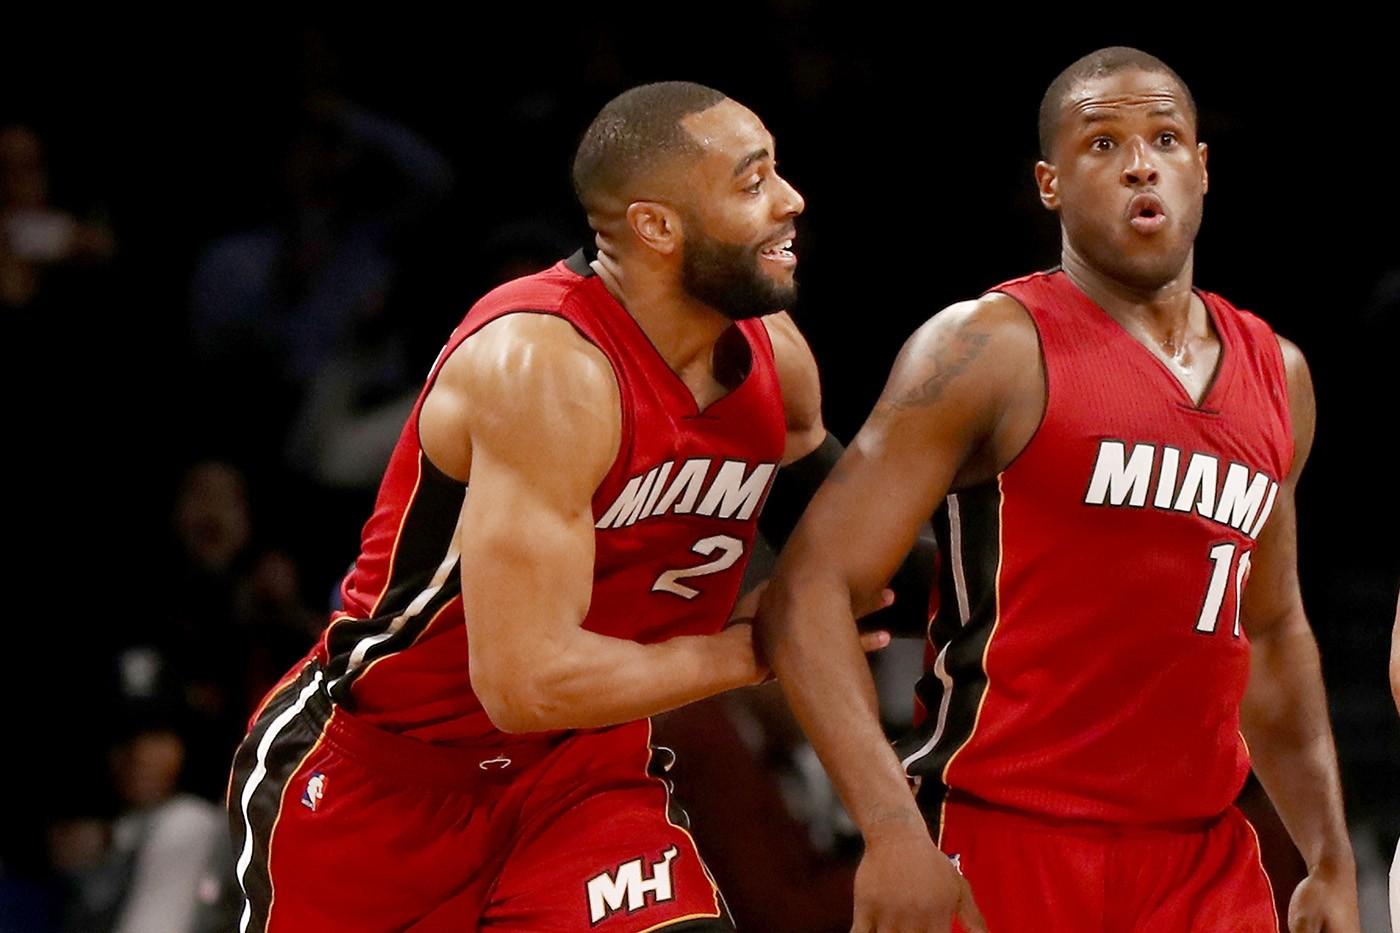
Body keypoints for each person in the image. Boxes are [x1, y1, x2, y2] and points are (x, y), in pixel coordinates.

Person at [228, 81, 885, 932]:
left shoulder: (775, 361)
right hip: (383, 779)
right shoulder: (544, 366)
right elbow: (526, 683)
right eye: (753, 181)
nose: (792, 199)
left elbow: (870, 561)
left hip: (580, 774)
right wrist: (754, 648)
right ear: (656, 225)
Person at [758, 47, 1360, 932]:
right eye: (1103, 143)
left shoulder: (1281, 375)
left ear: (1201, 167)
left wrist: (1331, 855)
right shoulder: (986, 349)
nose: (1141, 164)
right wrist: (889, 830)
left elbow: (1269, 633)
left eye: (1165, 139)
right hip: (1006, 837)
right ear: (1050, 184)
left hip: (1203, 862)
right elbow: (810, 589)